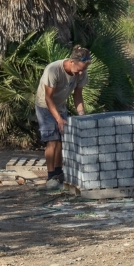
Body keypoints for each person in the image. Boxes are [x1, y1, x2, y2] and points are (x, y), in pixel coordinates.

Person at [34, 45, 91, 190]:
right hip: (45, 105)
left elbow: (78, 95)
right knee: (52, 139)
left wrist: (82, 116)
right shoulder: (53, 70)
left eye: (83, 70)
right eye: (79, 69)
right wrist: (58, 119)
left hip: (60, 105)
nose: (80, 73)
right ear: (72, 61)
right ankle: (50, 175)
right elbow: (48, 98)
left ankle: (59, 174)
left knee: (61, 139)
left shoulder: (81, 73)